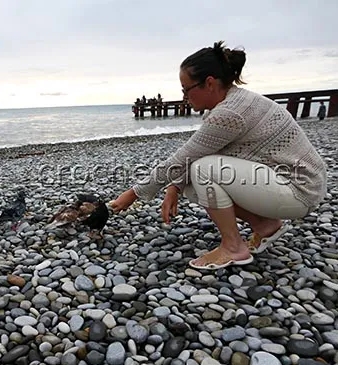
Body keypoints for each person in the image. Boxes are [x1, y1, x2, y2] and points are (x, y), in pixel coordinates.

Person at [110, 40, 327, 270]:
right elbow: (193, 156)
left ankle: (234, 248)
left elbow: (183, 158)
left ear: (210, 83)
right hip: (296, 183)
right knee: (194, 178)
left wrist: (132, 194)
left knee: (203, 170)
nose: (184, 96)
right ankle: (265, 225)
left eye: (186, 89)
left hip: (299, 190)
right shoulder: (236, 101)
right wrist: (174, 187)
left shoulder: (228, 114)